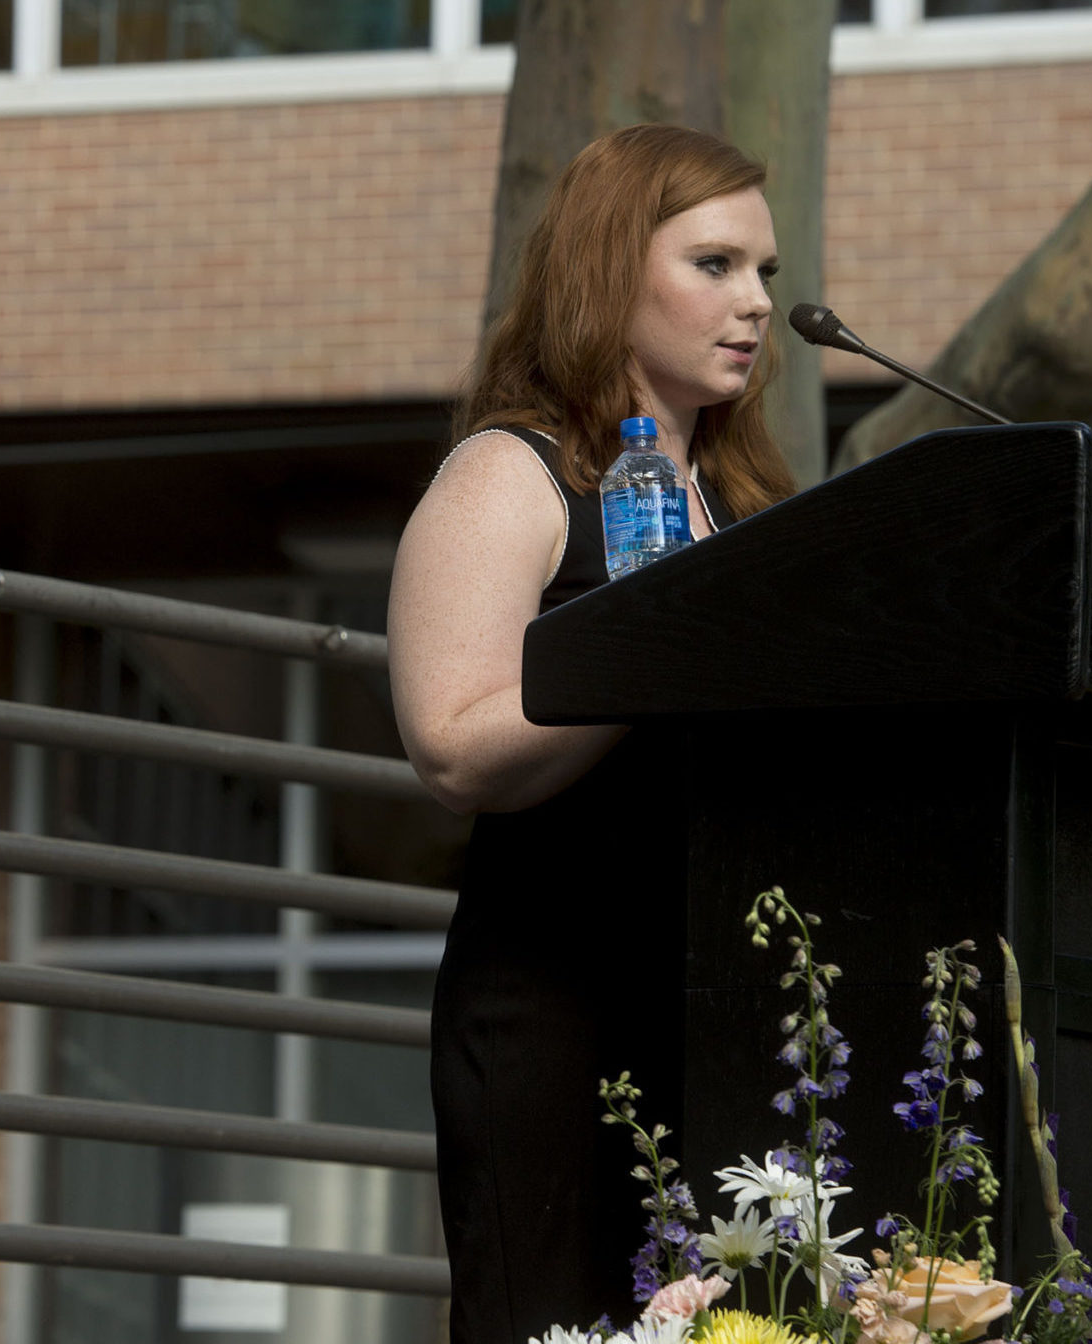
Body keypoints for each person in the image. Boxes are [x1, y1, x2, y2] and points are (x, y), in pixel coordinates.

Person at [386, 123, 799, 1342]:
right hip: (564, 1014)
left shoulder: (746, 503)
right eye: (716, 265)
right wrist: (657, 649)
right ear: (611, 272)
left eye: (766, 273)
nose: (758, 303)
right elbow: (452, 742)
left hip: (728, 1009)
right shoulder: (510, 474)